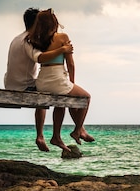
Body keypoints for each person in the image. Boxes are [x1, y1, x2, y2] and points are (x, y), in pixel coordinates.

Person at [4, 7, 73, 152]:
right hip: (23, 86)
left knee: (44, 87)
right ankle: (43, 135)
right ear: (37, 23)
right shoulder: (28, 40)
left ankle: (46, 135)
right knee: (54, 92)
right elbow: (40, 57)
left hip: (10, 83)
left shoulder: (16, 38)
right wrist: (62, 49)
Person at [27, 8, 94, 150]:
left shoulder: (36, 39)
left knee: (61, 103)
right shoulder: (62, 38)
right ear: (54, 22)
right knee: (86, 97)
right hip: (57, 79)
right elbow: (70, 64)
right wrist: (72, 83)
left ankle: (56, 137)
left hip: (42, 81)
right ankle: (77, 130)